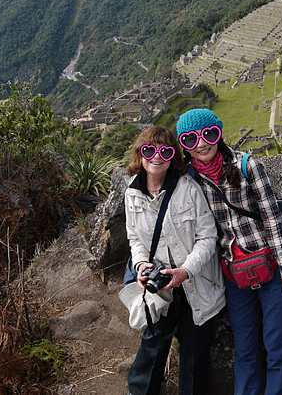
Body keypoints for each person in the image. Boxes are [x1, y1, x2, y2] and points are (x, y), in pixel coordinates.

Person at [176, 109, 282, 395]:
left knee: (278, 348)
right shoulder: (189, 180)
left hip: (270, 266)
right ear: (184, 145)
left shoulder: (248, 166)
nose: (201, 143)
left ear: (219, 134)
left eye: (209, 134)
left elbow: (271, 216)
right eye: (191, 139)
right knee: (244, 349)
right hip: (234, 273)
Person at [124, 126, 225, 395]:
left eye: (165, 151)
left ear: (173, 157)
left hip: (195, 283)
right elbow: (134, 238)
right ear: (140, 153)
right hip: (161, 285)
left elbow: (208, 237)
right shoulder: (131, 193)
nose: (157, 157)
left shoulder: (188, 189)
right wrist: (141, 266)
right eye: (150, 150)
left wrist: (186, 270)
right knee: (152, 349)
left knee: (194, 358)